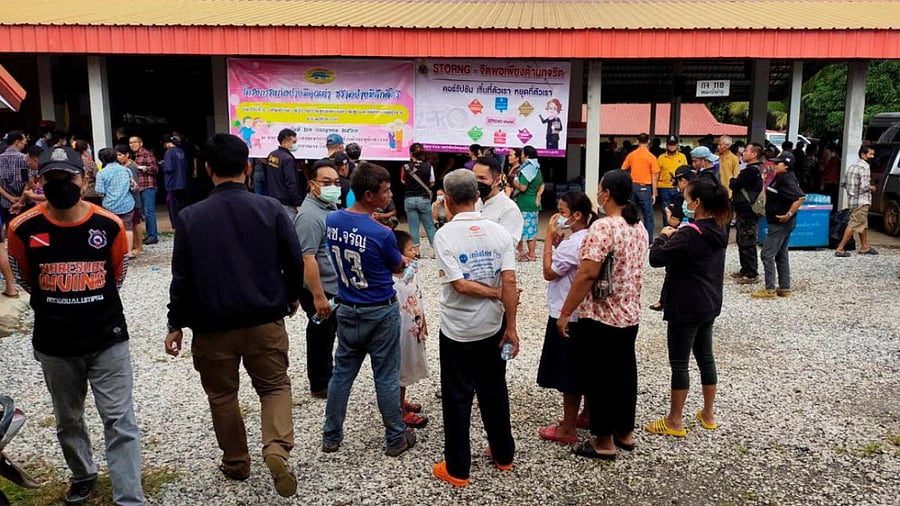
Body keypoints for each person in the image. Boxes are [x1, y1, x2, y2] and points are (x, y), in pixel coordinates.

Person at [164, 133, 304, 497]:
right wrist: (290, 298)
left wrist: (175, 322)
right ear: (248, 167)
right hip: (264, 319)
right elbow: (293, 260)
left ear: (206, 169)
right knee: (274, 386)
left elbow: (182, 276)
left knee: (222, 395)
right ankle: (276, 447)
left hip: (211, 327)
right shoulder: (271, 209)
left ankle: (236, 461)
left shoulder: (190, 217)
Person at [8, 145, 144, 505]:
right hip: (55, 342)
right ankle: (82, 473)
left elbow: (117, 276)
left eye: (67, 177)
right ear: (40, 181)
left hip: (107, 338)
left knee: (120, 421)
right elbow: (24, 277)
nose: (60, 184)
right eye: (51, 178)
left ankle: (129, 498)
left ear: (83, 180)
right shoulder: (23, 227)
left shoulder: (109, 224)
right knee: (68, 419)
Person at [431, 169, 519, 487]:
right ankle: (503, 454)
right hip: (493, 326)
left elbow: (459, 285)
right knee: (495, 390)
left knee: (457, 397)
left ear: (448, 200)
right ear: (478, 196)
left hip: (458, 330)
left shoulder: (444, 236)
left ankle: (458, 469)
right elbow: (509, 281)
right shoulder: (499, 233)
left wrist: (496, 295)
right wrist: (512, 327)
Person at [322, 161, 416, 457]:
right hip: (379, 308)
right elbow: (395, 265)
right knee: (386, 375)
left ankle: (331, 436)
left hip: (348, 307)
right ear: (367, 195)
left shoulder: (333, 220)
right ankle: (395, 438)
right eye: (385, 192)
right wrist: (403, 261)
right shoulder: (381, 233)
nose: (390, 196)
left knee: (342, 374)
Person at [556, 169, 648, 460]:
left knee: (601, 378)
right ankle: (624, 431)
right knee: (624, 374)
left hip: (601, 314)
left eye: (599, 188)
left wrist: (566, 311)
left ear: (606, 194)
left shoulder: (604, 227)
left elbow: (587, 273)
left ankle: (603, 440)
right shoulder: (638, 226)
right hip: (629, 312)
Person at [645, 177, 729, 437]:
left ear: (698, 203)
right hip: (709, 301)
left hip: (686, 304)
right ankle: (708, 413)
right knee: (706, 356)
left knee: (679, 362)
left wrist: (662, 236)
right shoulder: (719, 227)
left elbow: (656, 258)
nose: (684, 202)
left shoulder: (691, 233)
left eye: (687, 197)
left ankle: (675, 420)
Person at [537, 191, 596, 444]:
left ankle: (568, 428)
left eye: (561, 213)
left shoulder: (574, 243)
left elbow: (550, 272)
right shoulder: (591, 238)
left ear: (577, 215)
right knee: (586, 368)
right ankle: (588, 414)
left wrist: (549, 241)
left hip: (566, 312)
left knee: (569, 372)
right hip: (588, 313)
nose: (557, 218)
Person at [294, 159, 341, 399]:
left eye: (336, 182)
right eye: (326, 182)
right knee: (320, 334)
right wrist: (319, 296)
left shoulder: (329, 207)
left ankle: (328, 376)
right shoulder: (310, 216)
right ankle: (320, 384)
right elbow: (307, 259)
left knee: (329, 332)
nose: (333, 186)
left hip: (333, 284)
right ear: (313, 185)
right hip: (319, 288)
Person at [752, 153, 806, 299]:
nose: (775, 165)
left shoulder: (787, 180)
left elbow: (800, 197)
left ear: (787, 166)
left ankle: (769, 289)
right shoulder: (780, 177)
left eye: (778, 163)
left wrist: (788, 214)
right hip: (779, 221)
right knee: (781, 254)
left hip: (780, 223)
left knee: (767, 254)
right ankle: (784, 287)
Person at [392, 230, 430, 429]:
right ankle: (399, 410)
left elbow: (418, 296)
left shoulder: (411, 274)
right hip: (400, 334)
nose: (415, 251)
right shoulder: (391, 283)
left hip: (413, 329)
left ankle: (400, 400)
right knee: (399, 369)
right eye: (410, 249)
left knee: (406, 367)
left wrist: (424, 320)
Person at [649, 165, 696, 312]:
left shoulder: (680, 197)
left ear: (683, 181)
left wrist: (668, 212)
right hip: (697, 234)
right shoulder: (701, 193)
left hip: (679, 235)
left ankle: (664, 300)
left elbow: (673, 222)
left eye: (678, 182)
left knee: (671, 270)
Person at [729, 142, 765, 283]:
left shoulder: (751, 171)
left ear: (754, 154)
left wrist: (733, 180)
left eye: (746, 151)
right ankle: (745, 268)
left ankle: (751, 272)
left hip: (748, 211)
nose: (743, 153)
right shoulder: (752, 170)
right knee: (742, 239)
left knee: (747, 240)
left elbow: (735, 184)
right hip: (743, 210)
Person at [835, 146, 878, 257]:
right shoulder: (865, 167)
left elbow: (843, 183)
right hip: (862, 200)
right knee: (854, 223)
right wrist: (872, 187)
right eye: (870, 154)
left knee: (862, 223)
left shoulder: (852, 167)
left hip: (852, 200)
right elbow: (864, 186)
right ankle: (840, 248)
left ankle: (864, 247)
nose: (872, 157)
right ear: (863, 155)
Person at [95, 148, 136, 257]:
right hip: (127, 203)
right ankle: (129, 252)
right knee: (128, 227)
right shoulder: (126, 170)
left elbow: (99, 191)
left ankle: (114, 253)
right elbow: (133, 186)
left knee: (111, 228)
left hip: (109, 205)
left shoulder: (101, 173)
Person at [474, 156, 524, 244]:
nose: (477, 182)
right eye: (474, 178)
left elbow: (509, 245)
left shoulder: (509, 209)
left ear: (496, 181)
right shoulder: (474, 203)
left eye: (482, 178)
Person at [621, 132, 660, 242]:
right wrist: (654, 192)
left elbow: (623, 170)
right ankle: (648, 240)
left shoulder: (632, 155)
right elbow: (654, 176)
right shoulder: (651, 157)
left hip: (633, 186)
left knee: (630, 213)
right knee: (648, 215)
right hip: (644, 188)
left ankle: (629, 238)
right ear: (648, 142)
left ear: (637, 142)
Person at [509, 145, 544, 261]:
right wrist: (538, 194)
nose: (521, 156)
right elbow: (542, 184)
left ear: (526, 155)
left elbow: (523, 188)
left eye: (522, 153)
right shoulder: (537, 168)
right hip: (534, 203)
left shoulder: (526, 170)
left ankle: (530, 254)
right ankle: (526, 252)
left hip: (525, 203)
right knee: (532, 230)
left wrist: (513, 182)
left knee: (524, 229)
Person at [401, 143, 437, 250]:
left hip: (409, 198)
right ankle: (435, 249)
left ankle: (416, 250)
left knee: (413, 226)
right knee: (429, 225)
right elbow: (432, 182)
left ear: (411, 153)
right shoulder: (429, 166)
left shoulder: (405, 167)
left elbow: (403, 181)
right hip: (424, 198)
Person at [265, 128, 304, 219]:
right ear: (285, 142)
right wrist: (297, 202)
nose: (295, 145)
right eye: (293, 142)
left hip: (272, 197)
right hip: (286, 201)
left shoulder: (272, 155)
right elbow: (291, 183)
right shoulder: (288, 159)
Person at [129, 136, 159, 245]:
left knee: (149, 211)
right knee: (142, 212)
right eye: (131, 143)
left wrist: (140, 167)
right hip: (139, 187)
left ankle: (153, 236)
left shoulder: (147, 154)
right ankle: (149, 234)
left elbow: (155, 168)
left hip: (148, 186)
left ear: (141, 143)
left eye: (135, 142)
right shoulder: (133, 156)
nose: (133, 144)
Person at [115, 145, 145, 257]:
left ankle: (139, 246)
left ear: (127, 155)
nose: (119, 157)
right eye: (117, 155)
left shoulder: (131, 167)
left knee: (136, 222)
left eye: (120, 155)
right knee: (131, 223)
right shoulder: (123, 166)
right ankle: (134, 244)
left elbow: (134, 185)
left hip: (133, 197)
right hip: (127, 198)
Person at [0, 131, 28, 232]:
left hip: (5, 203)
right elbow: (28, 182)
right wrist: (20, 200)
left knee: (10, 232)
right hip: (24, 203)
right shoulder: (25, 159)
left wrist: (10, 198)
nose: (25, 142)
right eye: (24, 140)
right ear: (17, 142)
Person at [657, 135, 687, 225]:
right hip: (664, 187)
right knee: (666, 210)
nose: (672, 147)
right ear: (666, 145)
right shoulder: (661, 158)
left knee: (679, 209)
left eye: (673, 145)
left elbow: (686, 172)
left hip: (679, 188)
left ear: (677, 145)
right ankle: (666, 229)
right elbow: (657, 174)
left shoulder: (682, 157)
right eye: (670, 145)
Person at [162, 135, 190, 230]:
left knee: (172, 205)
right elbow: (186, 168)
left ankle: (175, 225)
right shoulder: (181, 151)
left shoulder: (169, 152)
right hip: (182, 182)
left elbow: (169, 168)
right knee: (182, 204)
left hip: (172, 183)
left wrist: (162, 164)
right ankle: (183, 223)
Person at [75, 139, 102, 206]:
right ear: (85, 150)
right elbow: (97, 176)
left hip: (77, 193)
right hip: (91, 194)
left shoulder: (74, 162)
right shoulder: (90, 163)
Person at [717, 136, 740, 200]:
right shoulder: (716, 156)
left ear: (727, 146)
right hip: (716, 188)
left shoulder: (733, 158)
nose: (718, 146)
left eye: (720, 145)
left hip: (727, 190)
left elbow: (736, 175)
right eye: (718, 144)